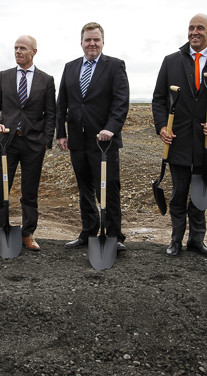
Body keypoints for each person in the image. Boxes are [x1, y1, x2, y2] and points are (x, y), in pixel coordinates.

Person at [152, 13, 207, 258]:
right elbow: (159, 99)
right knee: (179, 193)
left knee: (201, 195)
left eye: (200, 28)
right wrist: (162, 127)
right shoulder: (171, 61)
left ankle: (197, 241)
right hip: (178, 140)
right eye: (191, 28)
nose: (194, 32)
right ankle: (176, 240)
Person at [57, 22, 130, 251]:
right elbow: (62, 103)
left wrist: (111, 128)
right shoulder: (70, 67)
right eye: (88, 40)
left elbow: (121, 102)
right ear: (81, 43)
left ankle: (113, 236)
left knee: (108, 189)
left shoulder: (115, 66)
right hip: (77, 140)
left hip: (103, 142)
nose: (92, 43)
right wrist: (61, 133)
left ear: (103, 42)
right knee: (85, 189)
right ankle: (88, 232)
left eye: (96, 39)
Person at [0, 35, 56, 251]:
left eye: (23, 48)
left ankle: (28, 234)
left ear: (34, 52)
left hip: (33, 145)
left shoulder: (46, 80)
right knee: (0, 189)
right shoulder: (4, 76)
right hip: (6, 143)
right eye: (16, 48)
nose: (18, 51)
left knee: (30, 191)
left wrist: (45, 140)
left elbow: (51, 113)